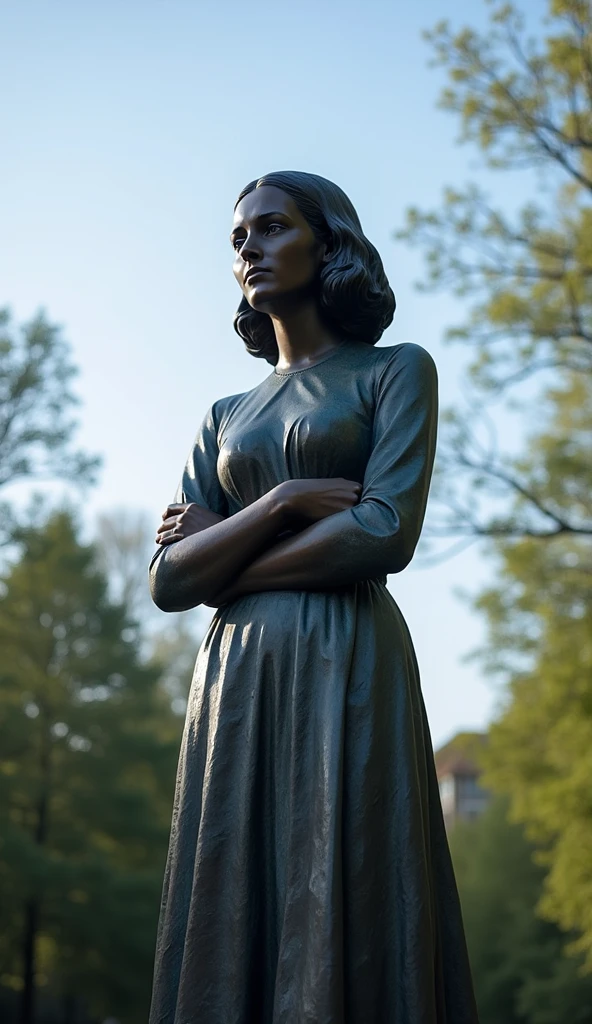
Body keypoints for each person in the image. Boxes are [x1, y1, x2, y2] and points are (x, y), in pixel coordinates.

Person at [148, 171, 479, 1024]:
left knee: (354, 873)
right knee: (233, 882)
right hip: (235, 683)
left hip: (351, 660)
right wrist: (283, 502)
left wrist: (227, 562)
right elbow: (169, 581)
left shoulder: (396, 372)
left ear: (327, 243)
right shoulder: (221, 417)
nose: (249, 248)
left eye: (272, 227)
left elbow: (383, 534)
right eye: (237, 239)